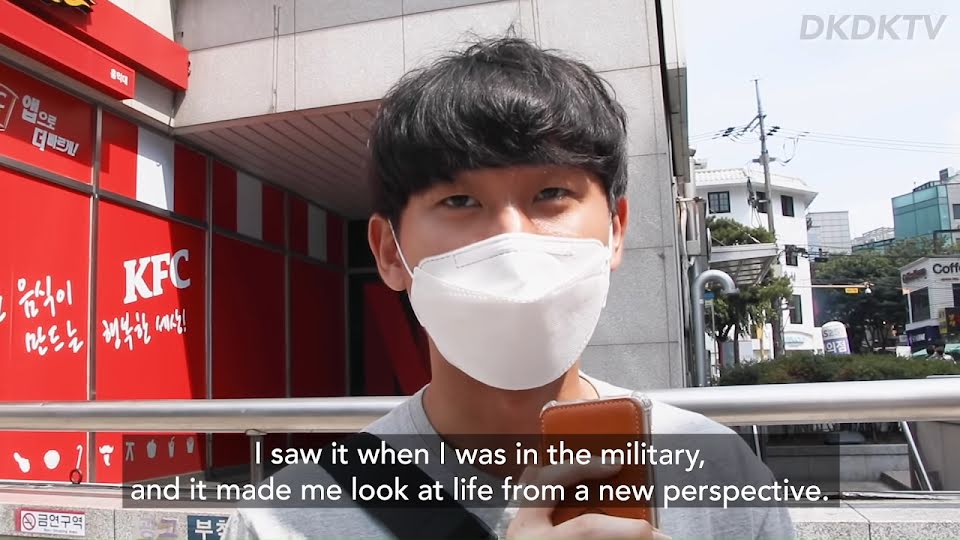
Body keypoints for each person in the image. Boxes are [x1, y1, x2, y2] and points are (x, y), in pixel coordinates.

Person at [223, 36, 795, 540]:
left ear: (616, 230)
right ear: (390, 252)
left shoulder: (722, 478)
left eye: (551, 195)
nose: (510, 240)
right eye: (459, 200)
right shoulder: (282, 520)